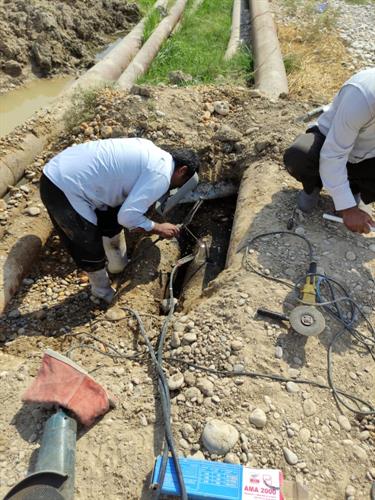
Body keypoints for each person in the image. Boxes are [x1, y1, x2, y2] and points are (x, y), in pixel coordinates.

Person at [40, 137, 199, 302]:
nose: (174, 187)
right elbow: (127, 216)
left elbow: (120, 214)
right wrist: (157, 227)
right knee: (87, 242)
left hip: (66, 167)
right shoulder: (162, 174)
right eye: (180, 183)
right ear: (181, 170)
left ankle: (117, 266)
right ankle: (102, 292)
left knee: (110, 218)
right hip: (62, 186)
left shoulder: (154, 153)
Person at [283, 68, 375, 234]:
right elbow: (334, 153)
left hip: (366, 157)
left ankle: (355, 190)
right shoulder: (362, 95)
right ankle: (313, 186)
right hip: (327, 142)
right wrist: (347, 208)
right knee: (299, 156)